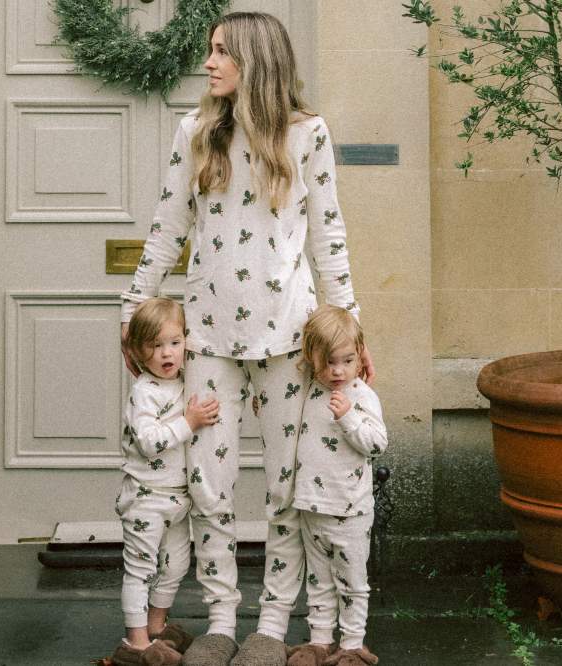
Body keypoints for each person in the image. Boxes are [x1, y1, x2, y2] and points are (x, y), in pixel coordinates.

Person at [119, 12, 375, 666]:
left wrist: (348, 324)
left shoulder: (308, 135)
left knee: (289, 487)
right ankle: (222, 619)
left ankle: (272, 624)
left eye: (220, 53)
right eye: (210, 52)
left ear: (255, 61)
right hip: (207, 338)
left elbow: (329, 235)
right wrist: (133, 307)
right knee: (208, 485)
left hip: (294, 341)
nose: (208, 63)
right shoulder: (196, 131)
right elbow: (166, 225)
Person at [111, 297, 221, 666]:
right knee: (141, 568)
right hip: (146, 497)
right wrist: (188, 423)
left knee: (175, 566)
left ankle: (158, 626)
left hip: (179, 498)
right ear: (138, 353)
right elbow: (148, 442)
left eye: (174, 343)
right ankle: (137, 641)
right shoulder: (145, 391)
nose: (166, 353)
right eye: (155, 346)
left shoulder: (187, 381)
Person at [283, 305, 387, 666]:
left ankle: (353, 644)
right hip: (312, 504)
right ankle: (320, 641)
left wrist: (348, 419)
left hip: (350, 509)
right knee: (319, 579)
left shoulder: (361, 397)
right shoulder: (310, 390)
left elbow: (377, 444)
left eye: (346, 360)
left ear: (359, 356)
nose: (337, 371)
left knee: (352, 581)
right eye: (328, 362)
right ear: (311, 359)